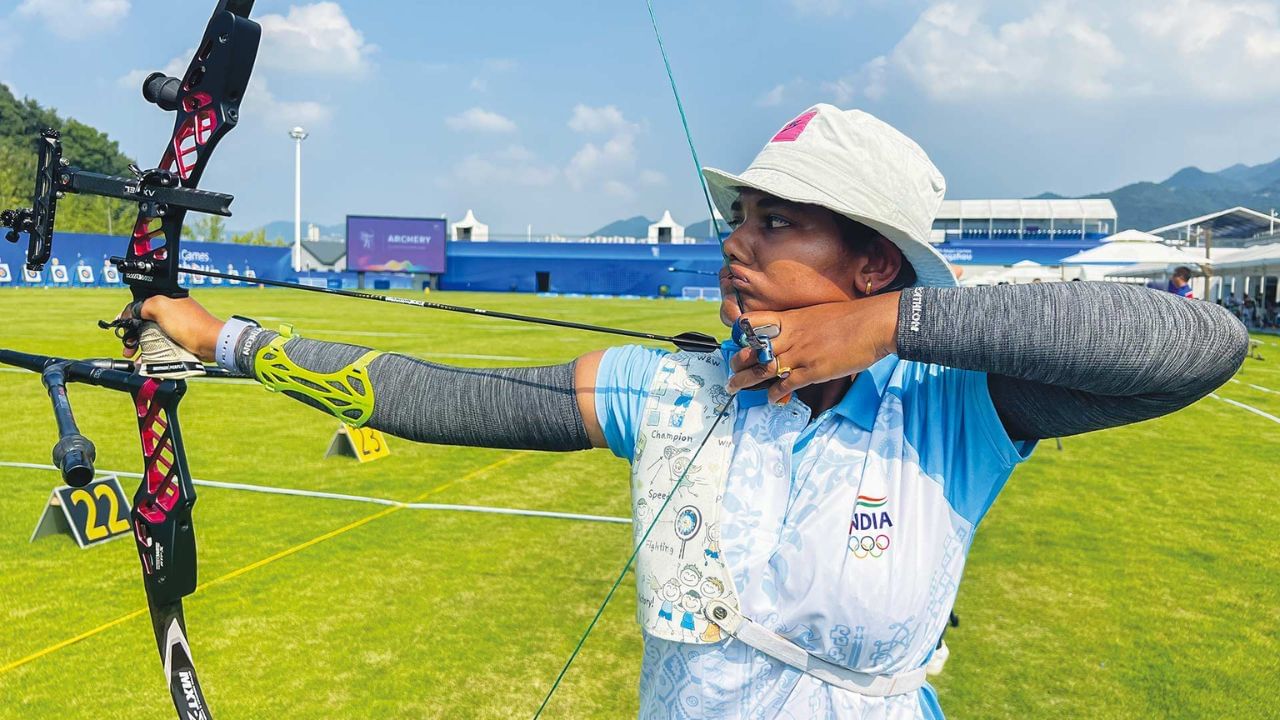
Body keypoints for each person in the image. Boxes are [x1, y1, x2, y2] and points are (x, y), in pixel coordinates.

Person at [120, 105, 1248, 720]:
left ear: (869, 266)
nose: (735, 241)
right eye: (739, 216)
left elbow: (1198, 347)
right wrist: (229, 340)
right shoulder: (671, 390)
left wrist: (886, 334)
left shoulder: (955, 404)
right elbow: (439, 394)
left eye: (775, 221)